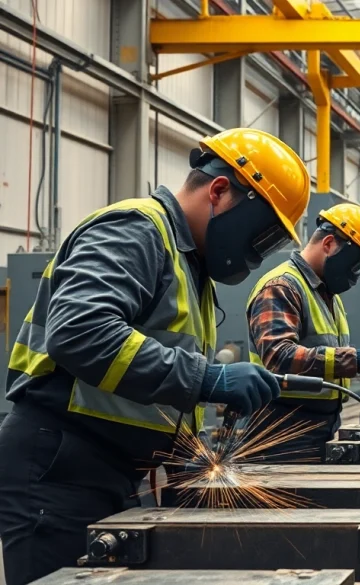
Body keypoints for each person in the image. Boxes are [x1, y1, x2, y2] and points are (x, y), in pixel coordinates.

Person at [0, 128, 311, 585]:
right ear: (220, 191)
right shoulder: (137, 228)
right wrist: (209, 380)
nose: (257, 252)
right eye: (260, 235)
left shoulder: (189, 263)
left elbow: (149, 380)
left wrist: (187, 447)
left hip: (109, 472)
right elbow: (80, 332)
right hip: (57, 469)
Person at [245, 202, 360, 462]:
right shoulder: (282, 286)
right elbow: (278, 356)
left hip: (318, 426)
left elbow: (327, 362)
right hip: (281, 431)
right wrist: (359, 359)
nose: (355, 275)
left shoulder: (327, 295)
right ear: (329, 245)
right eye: (356, 264)